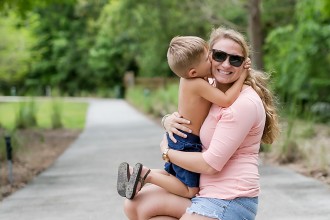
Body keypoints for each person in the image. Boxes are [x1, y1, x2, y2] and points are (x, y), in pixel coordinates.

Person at [123, 26, 280, 220]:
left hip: (229, 199)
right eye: (219, 55)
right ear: (208, 55)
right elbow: (190, 111)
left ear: (244, 65)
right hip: (204, 193)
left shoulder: (244, 103)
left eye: (235, 59)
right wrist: (168, 120)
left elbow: (210, 165)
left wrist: (167, 152)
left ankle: (148, 175)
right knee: (136, 205)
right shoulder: (210, 86)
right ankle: (146, 175)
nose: (226, 64)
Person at [117, 36, 250, 200]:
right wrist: (243, 74)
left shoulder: (189, 79)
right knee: (190, 190)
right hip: (187, 142)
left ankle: (135, 176)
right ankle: (146, 174)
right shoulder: (197, 83)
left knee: (172, 177)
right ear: (193, 72)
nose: (211, 60)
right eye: (207, 58)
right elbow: (226, 99)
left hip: (180, 138)